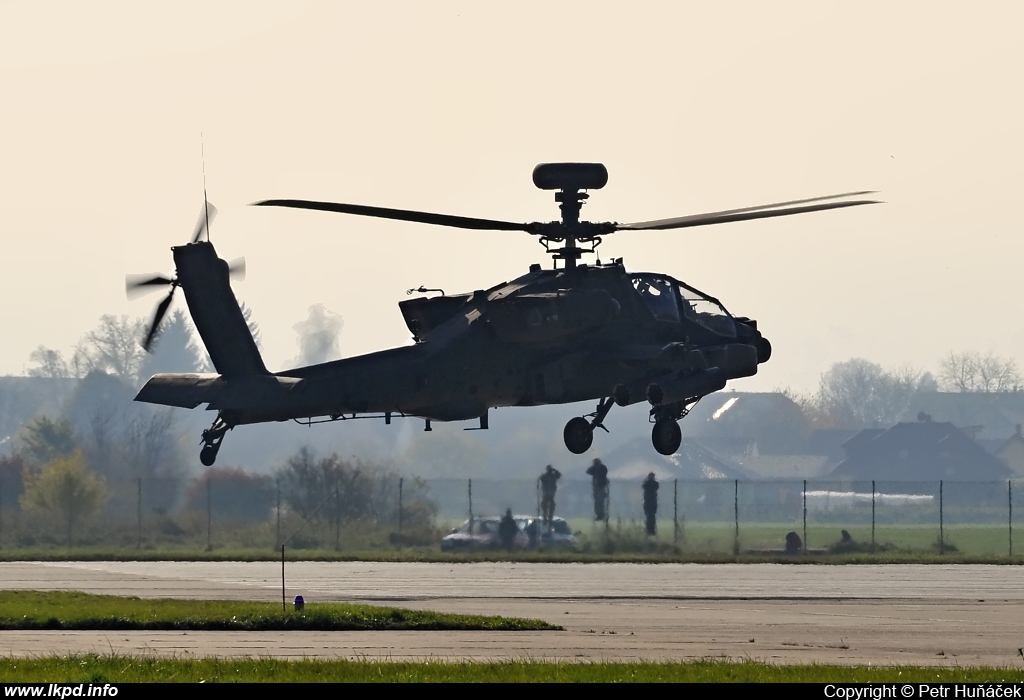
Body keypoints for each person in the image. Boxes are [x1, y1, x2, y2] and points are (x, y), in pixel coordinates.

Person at [642, 472, 659, 536]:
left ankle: (651, 530)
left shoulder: (654, 484)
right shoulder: (648, 484)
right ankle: (649, 530)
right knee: (649, 516)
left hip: (652, 502)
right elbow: (644, 486)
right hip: (649, 502)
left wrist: (647, 480)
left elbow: (645, 486)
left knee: (651, 516)